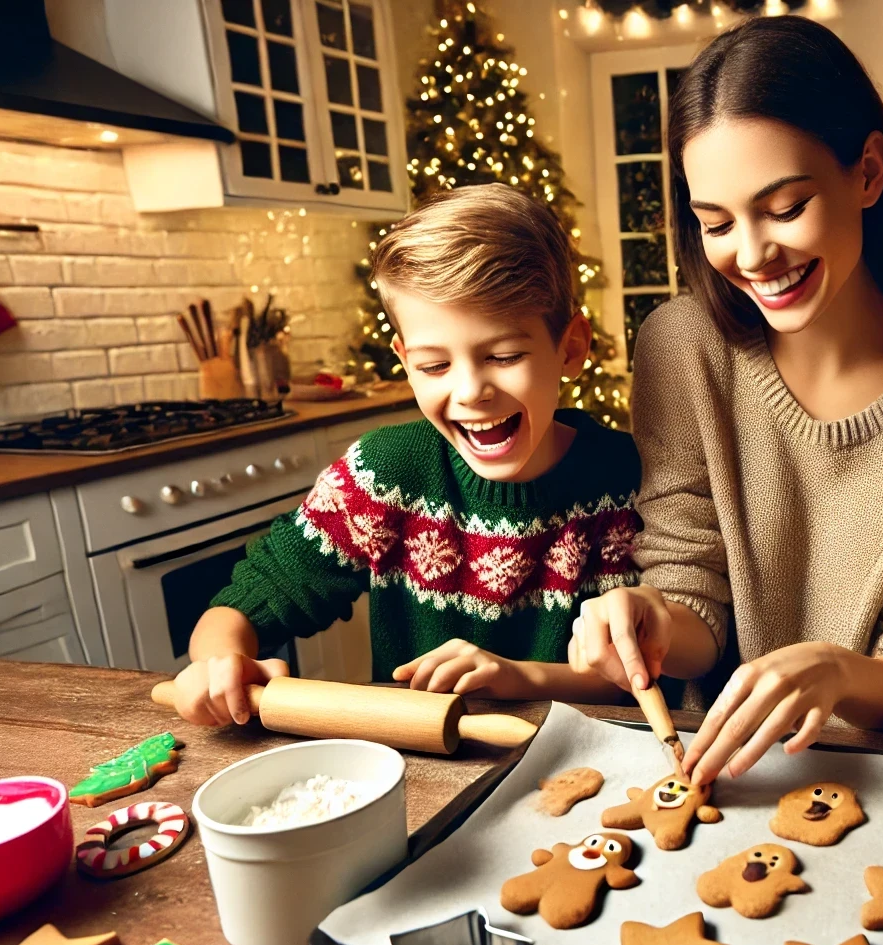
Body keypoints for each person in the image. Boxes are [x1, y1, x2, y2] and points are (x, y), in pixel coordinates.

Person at [568, 16, 883, 786]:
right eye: (716, 223)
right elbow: (690, 590)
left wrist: (837, 673)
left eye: (785, 207)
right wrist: (650, 616)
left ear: (867, 172)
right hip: (727, 778)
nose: (752, 254)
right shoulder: (681, 349)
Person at [168, 184, 639, 727]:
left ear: (571, 348)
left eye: (504, 356)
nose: (469, 391)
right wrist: (215, 663)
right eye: (435, 366)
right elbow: (246, 600)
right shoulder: (384, 474)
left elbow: (640, 674)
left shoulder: (623, 478)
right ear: (404, 358)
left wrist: (516, 676)